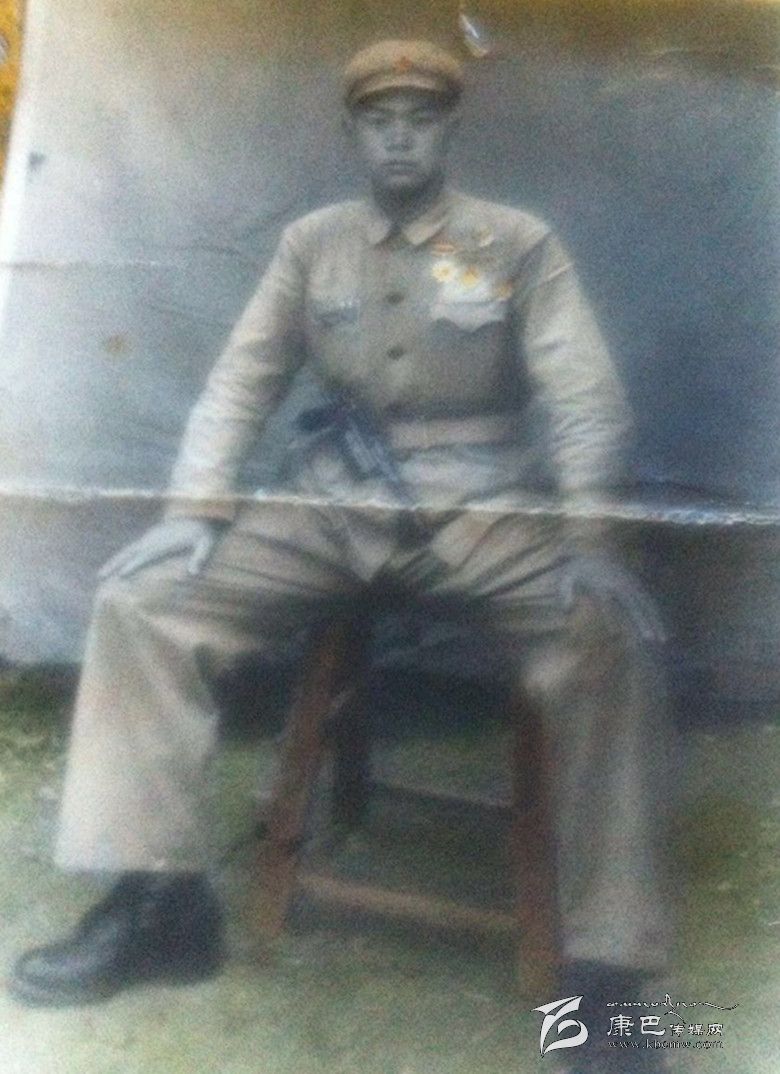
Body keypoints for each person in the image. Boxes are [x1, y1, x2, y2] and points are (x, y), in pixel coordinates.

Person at [10, 37, 671, 1070]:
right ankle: (160, 907)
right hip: (332, 504)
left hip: (482, 508)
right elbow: (241, 381)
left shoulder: (514, 241)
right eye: (380, 120)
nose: (400, 138)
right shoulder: (312, 243)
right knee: (145, 603)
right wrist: (194, 511)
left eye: (422, 118)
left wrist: (591, 539)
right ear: (355, 132)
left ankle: (606, 980)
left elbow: (585, 397)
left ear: (451, 130)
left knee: (605, 636)